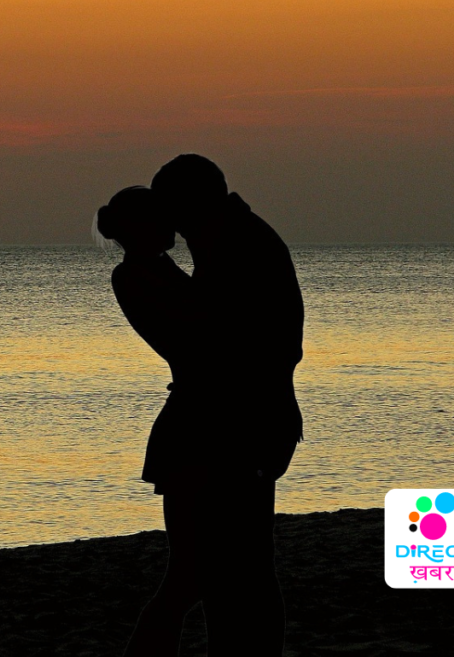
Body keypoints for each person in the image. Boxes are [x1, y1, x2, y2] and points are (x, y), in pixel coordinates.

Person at [147, 153, 304, 656]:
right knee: (238, 565)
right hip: (245, 419)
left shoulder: (237, 244)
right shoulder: (228, 239)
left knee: (242, 566)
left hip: (243, 422)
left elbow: (251, 342)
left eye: (168, 205)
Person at [95, 186, 211, 656]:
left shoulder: (158, 269)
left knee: (194, 572)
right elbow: (193, 330)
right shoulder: (134, 275)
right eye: (162, 217)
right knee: (190, 572)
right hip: (193, 425)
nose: (174, 225)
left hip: (195, 418)